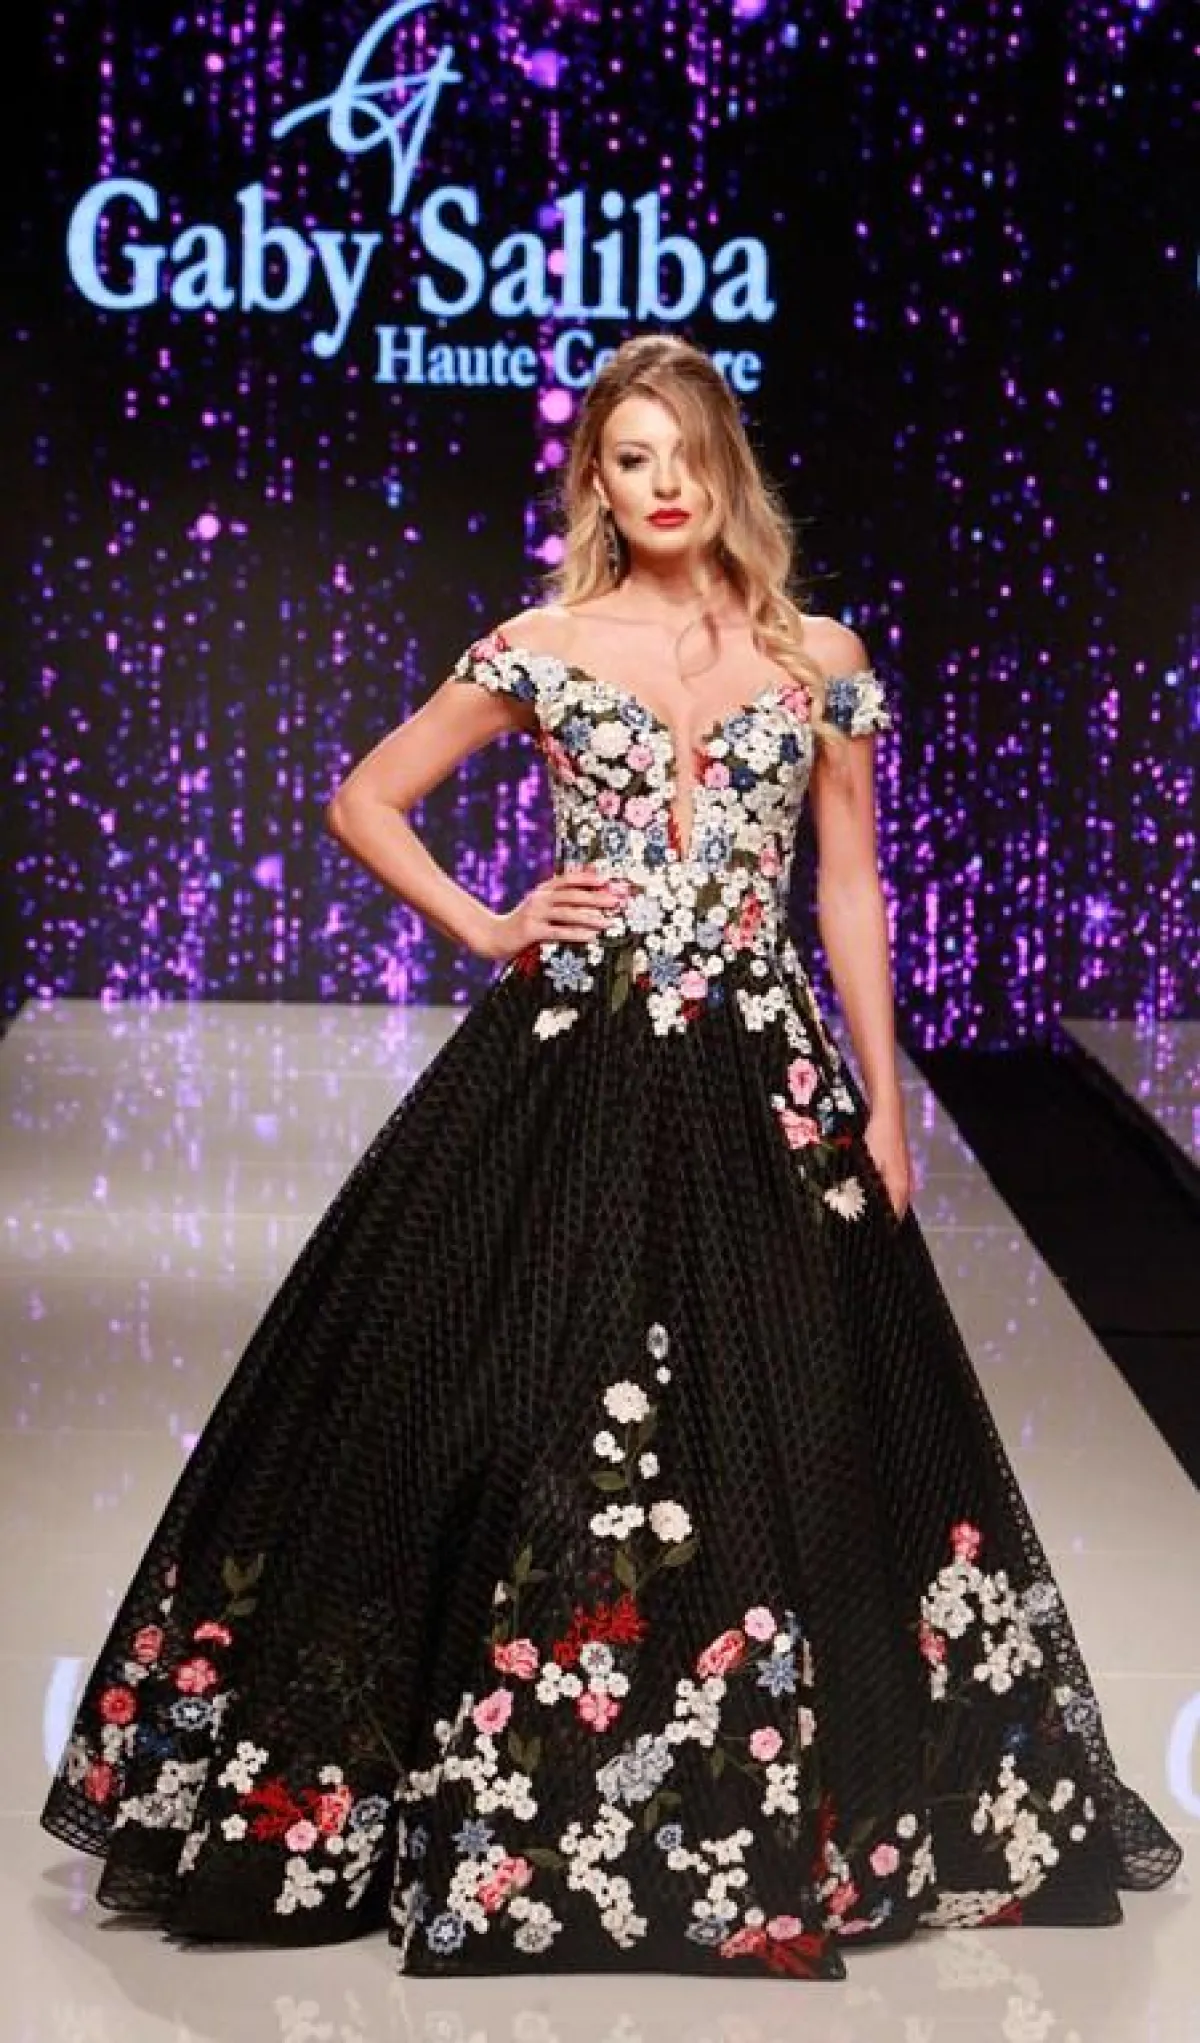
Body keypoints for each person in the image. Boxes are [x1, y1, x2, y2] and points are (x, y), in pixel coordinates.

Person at [40, 334, 1182, 1981]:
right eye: (628, 457)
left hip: (766, 1069)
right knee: (522, 1390)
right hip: (575, 1057)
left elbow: (846, 882)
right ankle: (513, 1786)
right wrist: (490, 921)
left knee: (794, 1404)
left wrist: (884, 1096)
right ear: (595, 477)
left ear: (726, 468)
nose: (660, 484)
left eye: (683, 454)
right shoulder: (544, 646)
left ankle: (767, 1788)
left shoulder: (817, 658)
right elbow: (366, 797)